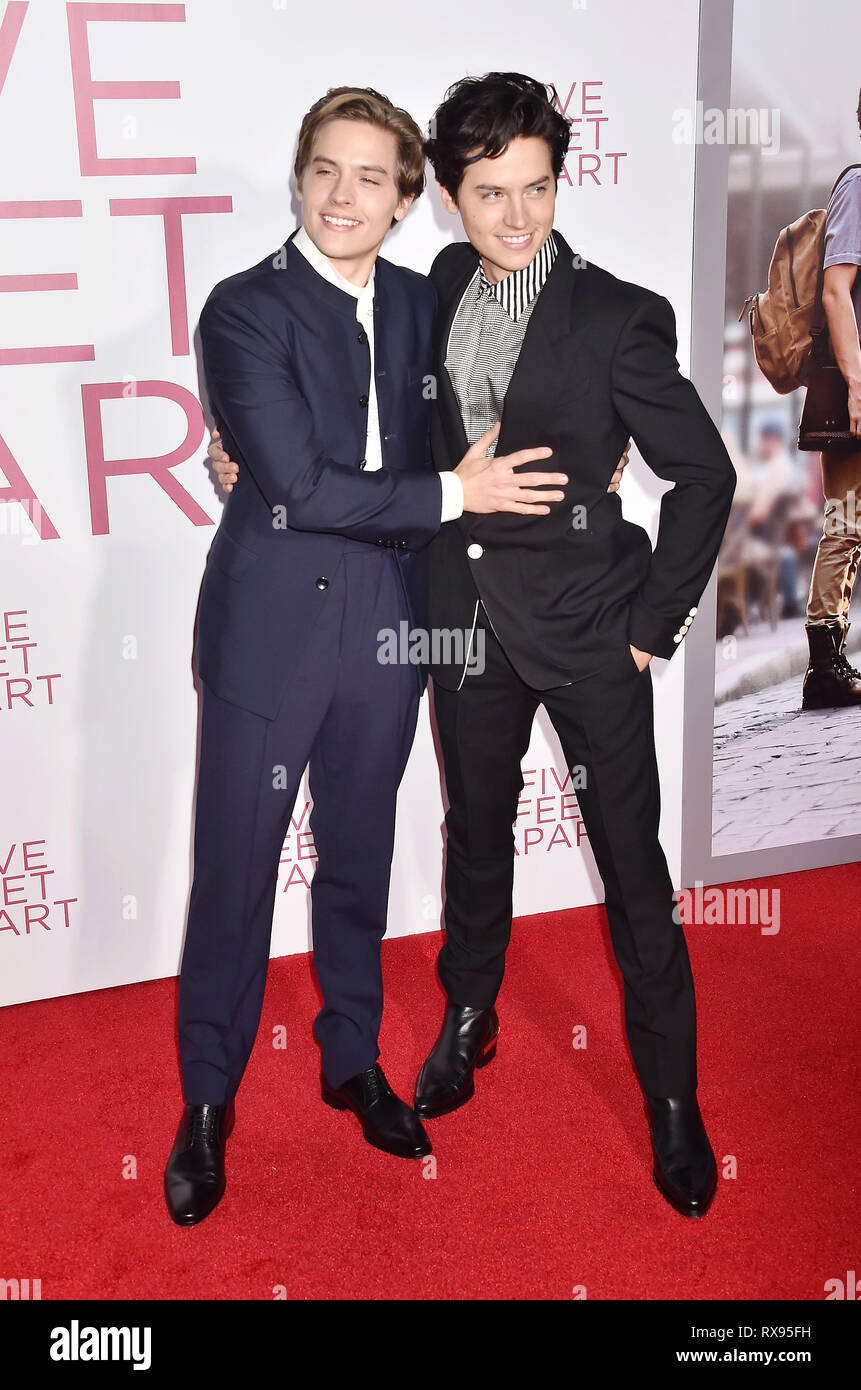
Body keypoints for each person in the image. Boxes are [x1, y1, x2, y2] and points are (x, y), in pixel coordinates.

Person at [212, 71, 733, 1220]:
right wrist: (241, 451)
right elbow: (345, 413)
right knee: (475, 838)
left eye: (537, 189)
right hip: (463, 624)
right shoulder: (438, 282)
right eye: (490, 192)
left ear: (559, 181)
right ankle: (468, 1014)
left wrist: (652, 628)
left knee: (635, 875)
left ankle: (672, 1103)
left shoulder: (619, 314)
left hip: (596, 632)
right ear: (446, 198)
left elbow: (706, 477)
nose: (517, 216)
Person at [166, 85, 579, 1227]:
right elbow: (295, 482)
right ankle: (208, 1102)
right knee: (237, 871)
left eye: (371, 178)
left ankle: (351, 1056)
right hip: (267, 631)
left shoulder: (422, 302)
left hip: (391, 620)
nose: (343, 196)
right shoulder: (242, 310)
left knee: (357, 859)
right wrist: (452, 491)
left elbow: (486, 395)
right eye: (323, 172)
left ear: (409, 200)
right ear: (299, 180)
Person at [802, 92, 861, 709]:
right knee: (845, 525)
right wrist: (857, 388)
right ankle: (825, 664)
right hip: (854, 390)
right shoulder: (859, 187)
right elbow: (836, 293)